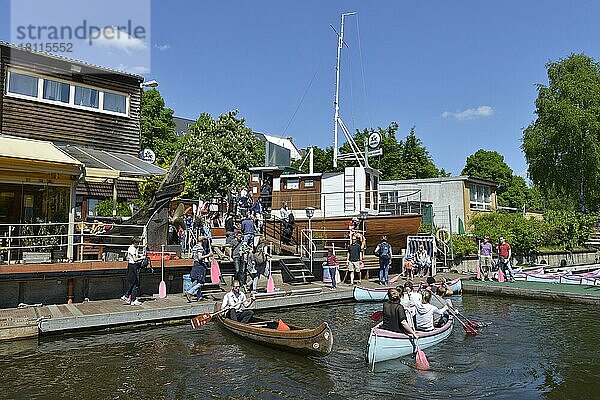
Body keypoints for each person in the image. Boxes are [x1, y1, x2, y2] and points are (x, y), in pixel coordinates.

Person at [185, 235, 213, 302]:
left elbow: (190, 256)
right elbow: (200, 257)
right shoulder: (200, 247)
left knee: (197, 281)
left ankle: (199, 296)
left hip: (195, 264)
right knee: (201, 282)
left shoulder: (194, 247)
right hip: (200, 265)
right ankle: (190, 292)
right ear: (203, 241)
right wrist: (209, 255)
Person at [121, 237, 145, 305]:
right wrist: (142, 258)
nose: (138, 244)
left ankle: (129, 297)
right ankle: (129, 297)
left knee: (134, 283)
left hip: (134, 266)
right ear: (134, 242)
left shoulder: (134, 248)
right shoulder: (132, 248)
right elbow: (134, 259)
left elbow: (135, 256)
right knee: (135, 283)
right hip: (132, 266)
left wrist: (140, 255)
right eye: (137, 243)